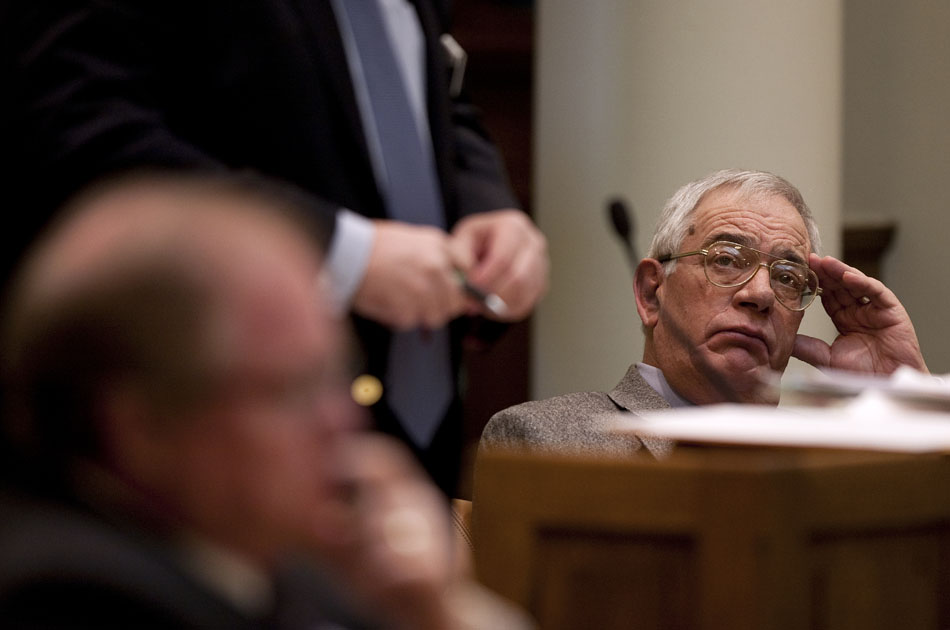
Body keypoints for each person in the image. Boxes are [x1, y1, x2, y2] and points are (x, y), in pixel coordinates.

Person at [0, 0, 549, 495]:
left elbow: (438, 94)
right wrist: (340, 255)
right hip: (201, 431)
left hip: (415, 432)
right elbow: (79, 131)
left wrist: (486, 203)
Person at [0, 174, 531, 629]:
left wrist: (429, 610)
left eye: (335, 378)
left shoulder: (274, 565)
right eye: (292, 390)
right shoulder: (73, 599)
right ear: (144, 428)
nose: (343, 419)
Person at [482, 169, 927, 456]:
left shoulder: (837, 452)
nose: (761, 294)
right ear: (651, 293)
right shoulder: (545, 440)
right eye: (727, 259)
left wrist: (903, 398)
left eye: (788, 277)